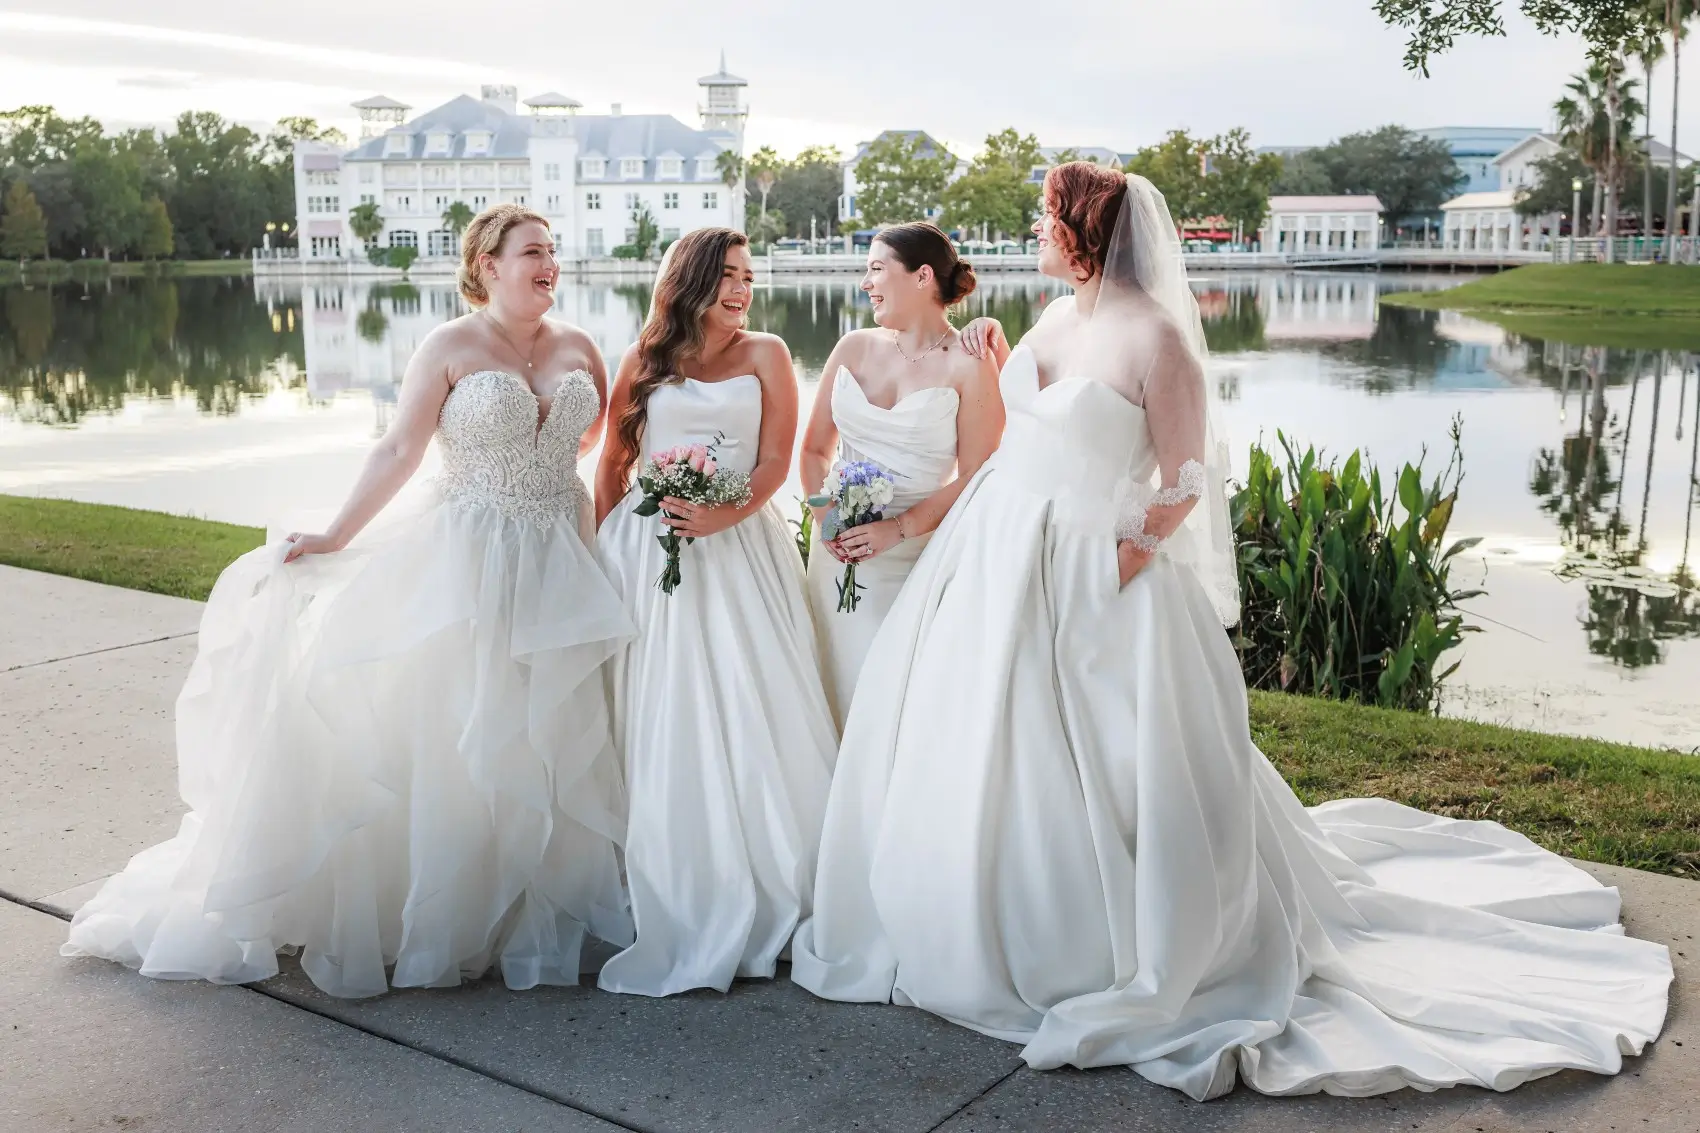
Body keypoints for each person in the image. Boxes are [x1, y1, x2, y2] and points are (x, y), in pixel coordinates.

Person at [789, 165, 1672, 1100]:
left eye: (1047, 217)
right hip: (1004, 552)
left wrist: (1126, 556)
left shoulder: (1158, 338)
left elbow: (1186, 473)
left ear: (1086, 230)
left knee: (1112, 758)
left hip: (1100, 570)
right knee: (985, 744)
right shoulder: (1049, 322)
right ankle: (980, 914)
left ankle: (1111, 938)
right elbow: (1015, 434)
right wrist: (979, 361)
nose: (1035, 230)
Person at [63, 205, 637, 998]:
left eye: (553, 250)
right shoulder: (447, 346)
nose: (549, 262)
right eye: (533, 251)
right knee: (465, 732)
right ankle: (451, 913)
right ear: (487, 264)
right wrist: (335, 533)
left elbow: (590, 443)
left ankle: (538, 908)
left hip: (559, 556)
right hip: (468, 556)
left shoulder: (579, 346)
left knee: (553, 728)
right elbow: (400, 447)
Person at [593, 227, 836, 997]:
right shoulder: (643, 359)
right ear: (692, 279)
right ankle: (663, 867)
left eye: (749, 275)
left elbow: (773, 460)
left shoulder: (766, 354)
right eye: (729, 275)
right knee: (658, 706)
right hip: (647, 550)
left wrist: (724, 515)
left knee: (746, 699)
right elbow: (610, 466)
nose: (742, 289)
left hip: (739, 549)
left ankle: (764, 870)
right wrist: (603, 553)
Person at [798, 222, 1004, 727]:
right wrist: (824, 516)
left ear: (922, 276)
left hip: (914, 557)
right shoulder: (853, 347)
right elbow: (813, 449)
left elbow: (980, 475)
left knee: (891, 700)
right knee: (828, 681)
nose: (865, 283)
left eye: (875, 268)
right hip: (836, 553)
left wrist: (899, 529)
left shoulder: (969, 364)